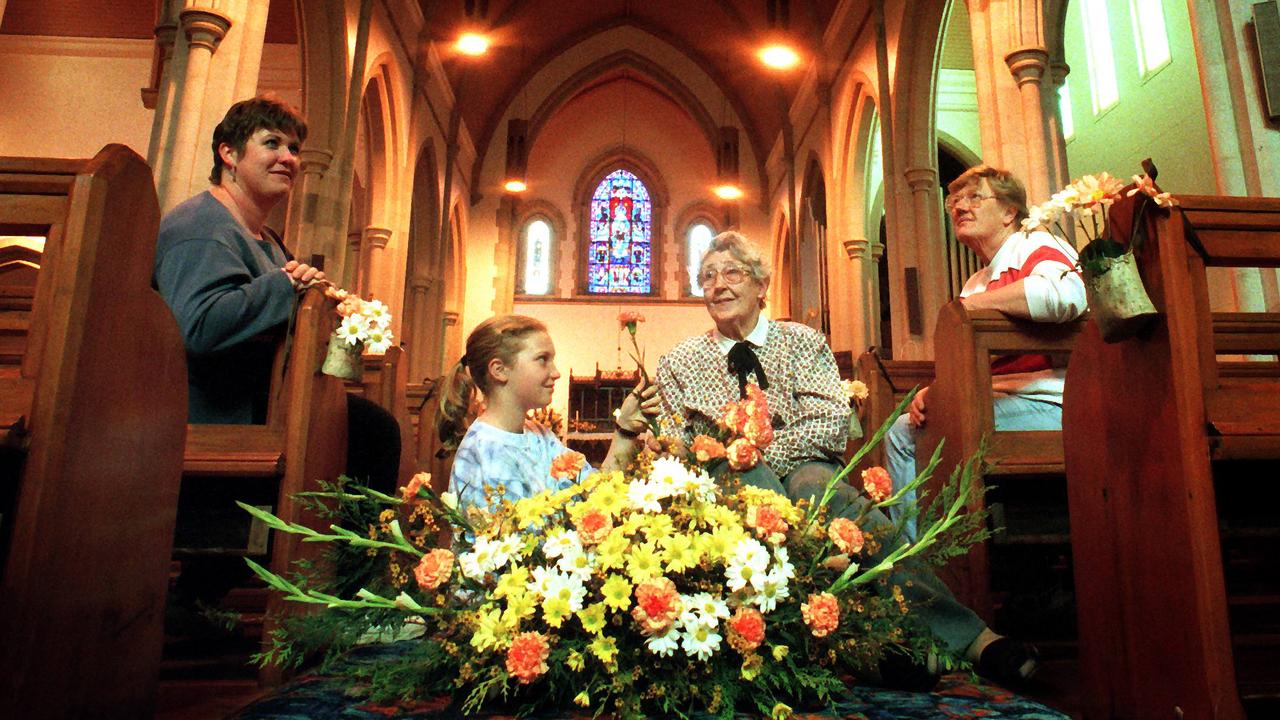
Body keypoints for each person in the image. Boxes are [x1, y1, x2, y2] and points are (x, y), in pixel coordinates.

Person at [655, 231, 1038, 689]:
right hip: (723, 481)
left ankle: (975, 639)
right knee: (756, 492)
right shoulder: (679, 361)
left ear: (761, 286)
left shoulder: (801, 342)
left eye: (732, 273)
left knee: (825, 496)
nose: (718, 284)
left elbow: (830, 422)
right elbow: (675, 440)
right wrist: (721, 458)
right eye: (708, 276)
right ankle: (872, 650)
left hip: (806, 467)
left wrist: (756, 451)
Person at [153, 95, 400, 493]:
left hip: (263, 404)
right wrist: (286, 285)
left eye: (294, 149)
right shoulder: (201, 227)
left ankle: (346, 552)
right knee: (370, 431)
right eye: (272, 143)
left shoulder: (266, 239)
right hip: (215, 415)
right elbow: (199, 326)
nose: (288, 158)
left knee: (370, 426)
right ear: (229, 153)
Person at [884, 165, 1086, 539]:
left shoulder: (1037, 245)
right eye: (955, 201)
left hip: (1055, 404)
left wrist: (973, 309)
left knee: (910, 436)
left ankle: (919, 565)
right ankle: (921, 557)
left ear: (1010, 212)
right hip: (994, 401)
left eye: (975, 197)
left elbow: (1064, 297)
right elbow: (964, 360)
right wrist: (933, 392)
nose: (961, 207)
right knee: (906, 425)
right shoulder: (976, 281)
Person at [437, 314, 659, 514]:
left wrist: (626, 430)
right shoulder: (487, 452)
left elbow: (596, 493)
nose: (556, 372)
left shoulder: (537, 433)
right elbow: (529, 548)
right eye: (543, 359)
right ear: (499, 370)